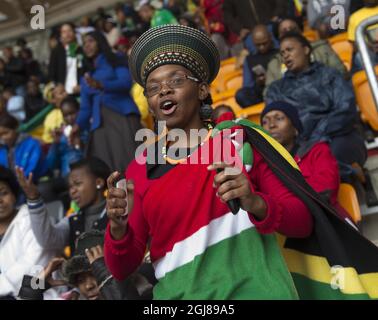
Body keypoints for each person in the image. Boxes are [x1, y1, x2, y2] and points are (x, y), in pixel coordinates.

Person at [104, 24, 313, 300]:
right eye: (153, 88)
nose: (164, 90)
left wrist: (254, 202)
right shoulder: (141, 168)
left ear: (202, 90)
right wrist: (118, 230)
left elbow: (303, 222)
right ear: (151, 104)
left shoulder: (240, 139)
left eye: (176, 81)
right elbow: (122, 268)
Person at [265, 32, 366, 181]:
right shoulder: (276, 88)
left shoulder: (330, 75)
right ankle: (351, 173)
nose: (285, 55)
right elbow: (272, 119)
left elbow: (345, 109)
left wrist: (319, 136)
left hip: (335, 136)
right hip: (297, 143)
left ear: (306, 49)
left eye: (290, 49)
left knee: (328, 154)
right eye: (282, 53)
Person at [261, 101, 353, 222]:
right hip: (286, 226)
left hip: (328, 220)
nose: (271, 125)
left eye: (279, 118)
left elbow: (326, 188)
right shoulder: (263, 164)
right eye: (265, 122)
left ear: (295, 128)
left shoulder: (317, 151)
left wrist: (284, 199)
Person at [75, 31, 142, 172]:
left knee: (132, 163)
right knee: (110, 170)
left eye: (91, 41)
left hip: (122, 116)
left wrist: (100, 85)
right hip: (100, 126)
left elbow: (125, 83)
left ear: (100, 41)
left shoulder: (115, 60)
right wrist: (77, 127)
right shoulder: (86, 77)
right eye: (84, 43)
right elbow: (85, 109)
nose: (87, 45)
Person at [16, 157, 110, 255]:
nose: (72, 191)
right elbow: (48, 240)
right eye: (70, 187)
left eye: (77, 184)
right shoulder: (73, 219)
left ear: (99, 182)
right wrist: (34, 199)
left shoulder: (117, 213)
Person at [0, 166, 55, 299]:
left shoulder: (32, 220)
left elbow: (35, 268)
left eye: (3, 193)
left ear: (14, 195)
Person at [265, 16, 347, 91]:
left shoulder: (321, 49)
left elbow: (341, 73)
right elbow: (269, 93)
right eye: (284, 31)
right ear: (278, 37)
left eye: (292, 29)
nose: (289, 33)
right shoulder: (274, 64)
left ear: (300, 31)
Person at [236, 25, 278, 108]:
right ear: (253, 42)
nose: (262, 47)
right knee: (241, 94)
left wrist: (271, 78)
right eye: (258, 45)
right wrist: (258, 83)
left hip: (278, 89)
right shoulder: (249, 60)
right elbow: (247, 86)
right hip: (260, 93)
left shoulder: (279, 53)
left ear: (270, 37)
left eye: (264, 43)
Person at [46, 96, 86, 179]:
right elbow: (51, 165)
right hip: (67, 177)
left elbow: (94, 156)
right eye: (65, 115)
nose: (69, 118)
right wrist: (55, 144)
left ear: (79, 111)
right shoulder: (61, 137)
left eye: (72, 113)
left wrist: (80, 145)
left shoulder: (87, 130)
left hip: (85, 173)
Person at [0, 114, 46, 181]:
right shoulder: (2, 150)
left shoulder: (31, 144)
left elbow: (32, 170)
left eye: (5, 133)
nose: (2, 138)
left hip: (34, 182)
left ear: (16, 128)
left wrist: (18, 184)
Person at [48, 23, 84, 95]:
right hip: (63, 92)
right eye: (64, 32)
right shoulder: (56, 51)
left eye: (69, 31)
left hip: (79, 89)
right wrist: (57, 86)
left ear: (74, 33)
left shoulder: (81, 50)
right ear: (60, 35)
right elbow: (52, 73)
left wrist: (82, 86)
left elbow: (84, 69)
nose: (67, 34)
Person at [348, 0, 378, 72]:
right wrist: (369, 46)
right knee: (360, 56)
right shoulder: (354, 17)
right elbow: (354, 44)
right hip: (371, 53)